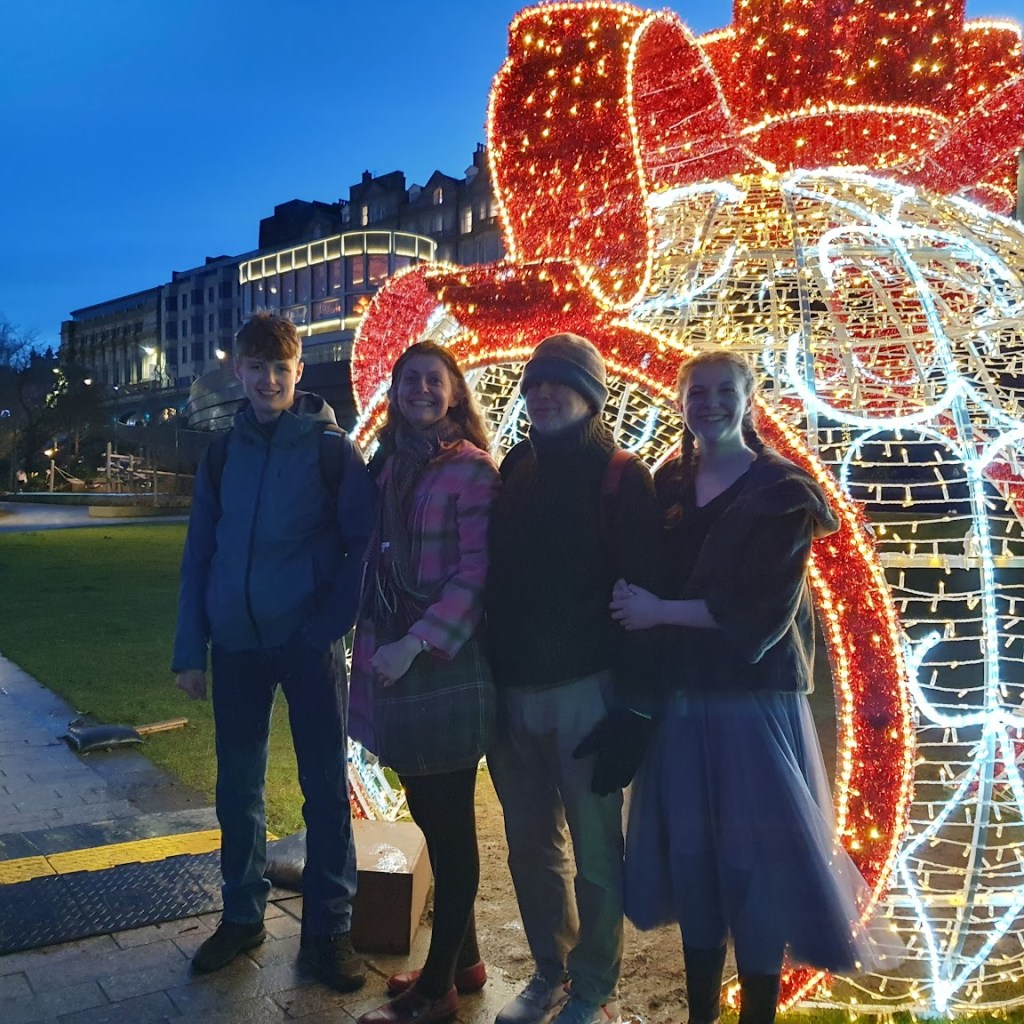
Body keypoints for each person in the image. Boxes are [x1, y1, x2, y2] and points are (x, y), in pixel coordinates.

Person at [611, 350, 900, 1024]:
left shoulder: (781, 492)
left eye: (724, 392)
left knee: (755, 865)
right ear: (681, 402)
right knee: (695, 858)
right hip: (684, 701)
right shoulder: (670, 482)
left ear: (748, 401)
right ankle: (702, 1015)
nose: (710, 403)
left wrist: (658, 612)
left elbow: (761, 615)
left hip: (751, 708)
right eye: (697, 392)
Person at [172, 312, 375, 990]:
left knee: (325, 790)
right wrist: (190, 651)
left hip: (307, 645)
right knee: (238, 789)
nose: (267, 380)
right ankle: (242, 916)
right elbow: (200, 554)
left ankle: (330, 931)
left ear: (298, 372)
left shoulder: (330, 450)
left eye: (279, 368)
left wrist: (327, 627)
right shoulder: (222, 454)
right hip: (235, 645)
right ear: (239, 371)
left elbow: (362, 548)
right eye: (256, 368)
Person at [485, 333, 664, 1024]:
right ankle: (549, 970)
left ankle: (593, 984)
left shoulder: (622, 476)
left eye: (559, 383)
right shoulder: (516, 467)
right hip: (513, 692)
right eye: (534, 384)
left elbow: (642, 594)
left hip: (586, 691)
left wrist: (635, 708)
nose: (543, 394)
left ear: (591, 395)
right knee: (531, 846)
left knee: (595, 854)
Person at [348, 341, 501, 1024]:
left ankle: (436, 990)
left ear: (454, 391)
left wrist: (415, 643)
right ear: (395, 391)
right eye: (409, 379)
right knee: (429, 816)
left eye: (433, 380)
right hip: (393, 657)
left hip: (440, 660)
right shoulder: (388, 466)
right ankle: (464, 963)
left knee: (450, 824)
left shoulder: (471, 469)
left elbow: (477, 574)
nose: (420, 390)